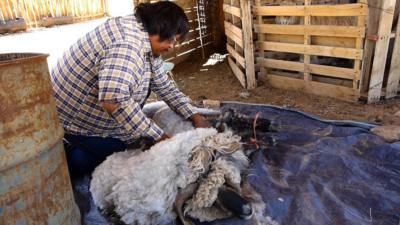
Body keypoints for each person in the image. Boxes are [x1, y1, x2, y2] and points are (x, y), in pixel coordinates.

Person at [50, 1, 210, 177]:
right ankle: (63, 157)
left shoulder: (145, 38)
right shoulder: (127, 44)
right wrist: (159, 137)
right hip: (74, 123)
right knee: (115, 151)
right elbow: (114, 102)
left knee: (131, 138)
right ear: (160, 27)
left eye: (176, 42)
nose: (172, 47)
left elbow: (163, 85)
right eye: (172, 39)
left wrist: (194, 115)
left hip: (93, 115)